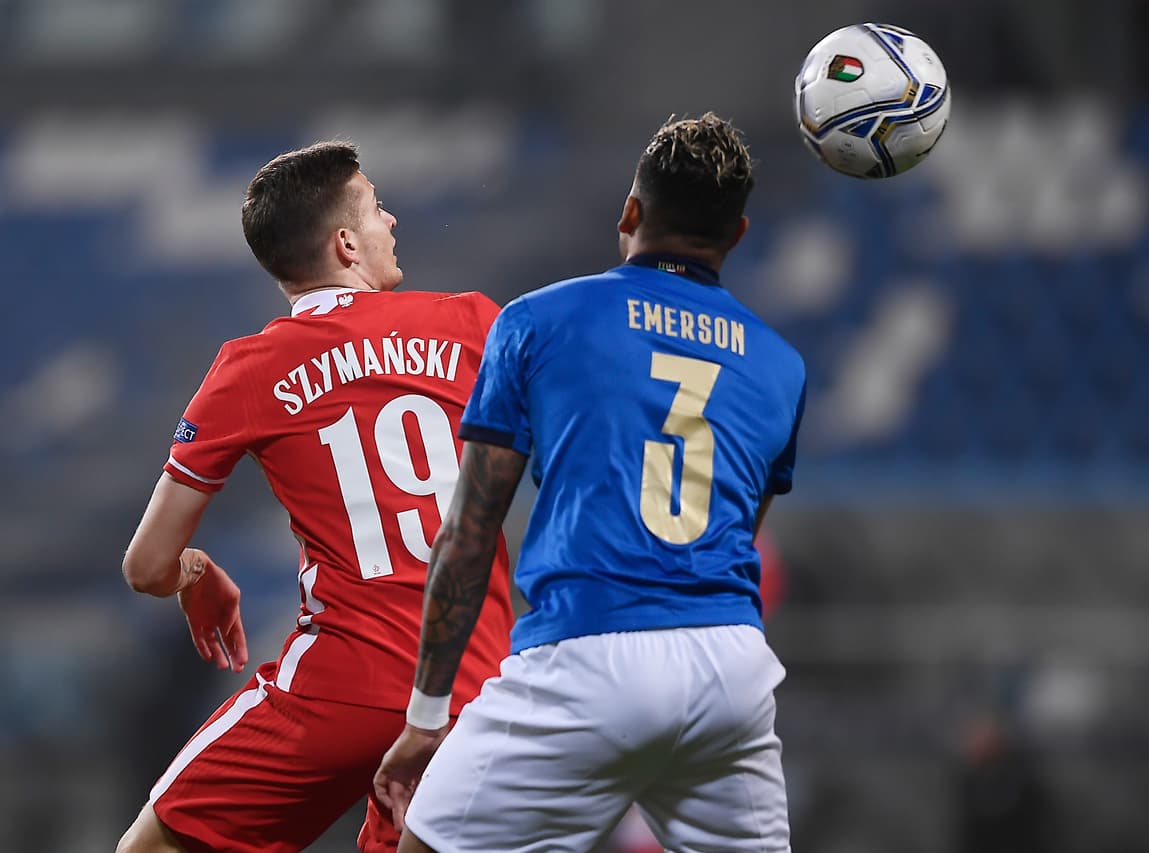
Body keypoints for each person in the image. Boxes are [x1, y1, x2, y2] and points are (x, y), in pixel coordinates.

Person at [375, 113, 806, 852]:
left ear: (630, 213)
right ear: (735, 236)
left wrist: (426, 714)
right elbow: (739, 535)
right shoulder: (782, 364)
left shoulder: (538, 320)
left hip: (589, 652)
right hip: (728, 671)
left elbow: (470, 531)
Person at [115, 141, 514, 853]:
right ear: (345, 242)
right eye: (377, 208)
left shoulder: (248, 368)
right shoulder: (474, 322)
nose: (392, 221)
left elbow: (147, 565)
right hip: (477, 687)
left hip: (340, 690)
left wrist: (196, 575)